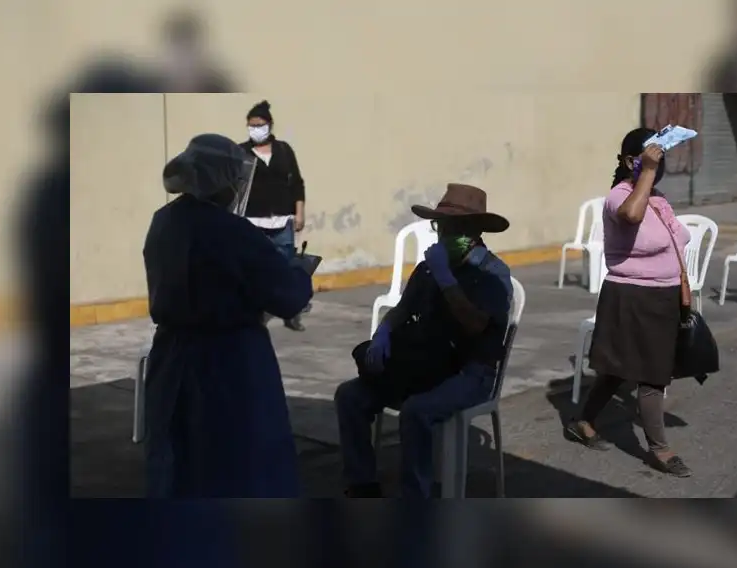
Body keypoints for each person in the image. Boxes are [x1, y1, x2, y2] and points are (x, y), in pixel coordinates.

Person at [143, 133, 314, 498]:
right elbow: (287, 295)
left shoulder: (163, 222)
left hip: (171, 354)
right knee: (237, 462)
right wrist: (300, 270)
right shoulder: (233, 232)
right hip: (229, 361)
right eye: (235, 177)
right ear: (222, 179)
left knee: (178, 457)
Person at [334, 184, 513, 498]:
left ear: (473, 231)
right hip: (425, 362)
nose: (443, 234)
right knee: (349, 395)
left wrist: (446, 279)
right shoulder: (428, 268)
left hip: (470, 371)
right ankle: (362, 484)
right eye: (439, 225)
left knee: (417, 410)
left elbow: (474, 325)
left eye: (452, 227)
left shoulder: (492, 274)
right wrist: (382, 335)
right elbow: (402, 310)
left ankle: (415, 496)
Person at [563, 127, 694, 478]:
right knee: (652, 377)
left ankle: (583, 423)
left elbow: (676, 241)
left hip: (663, 296)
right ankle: (660, 449)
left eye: (660, 157)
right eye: (651, 157)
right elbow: (631, 216)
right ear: (628, 160)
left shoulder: (659, 198)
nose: (657, 164)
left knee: (618, 369)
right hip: (631, 296)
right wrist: (647, 172)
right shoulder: (619, 196)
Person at [239, 99, 309, 331]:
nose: (255, 129)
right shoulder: (241, 153)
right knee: (255, 270)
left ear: (269, 125)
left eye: (259, 124)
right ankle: (256, 314)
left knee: (285, 268)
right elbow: (235, 188)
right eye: (251, 125)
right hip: (252, 222)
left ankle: (291, 312)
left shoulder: (284, 150)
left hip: (282, 220)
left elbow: (297, 183)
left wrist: (299, 213)